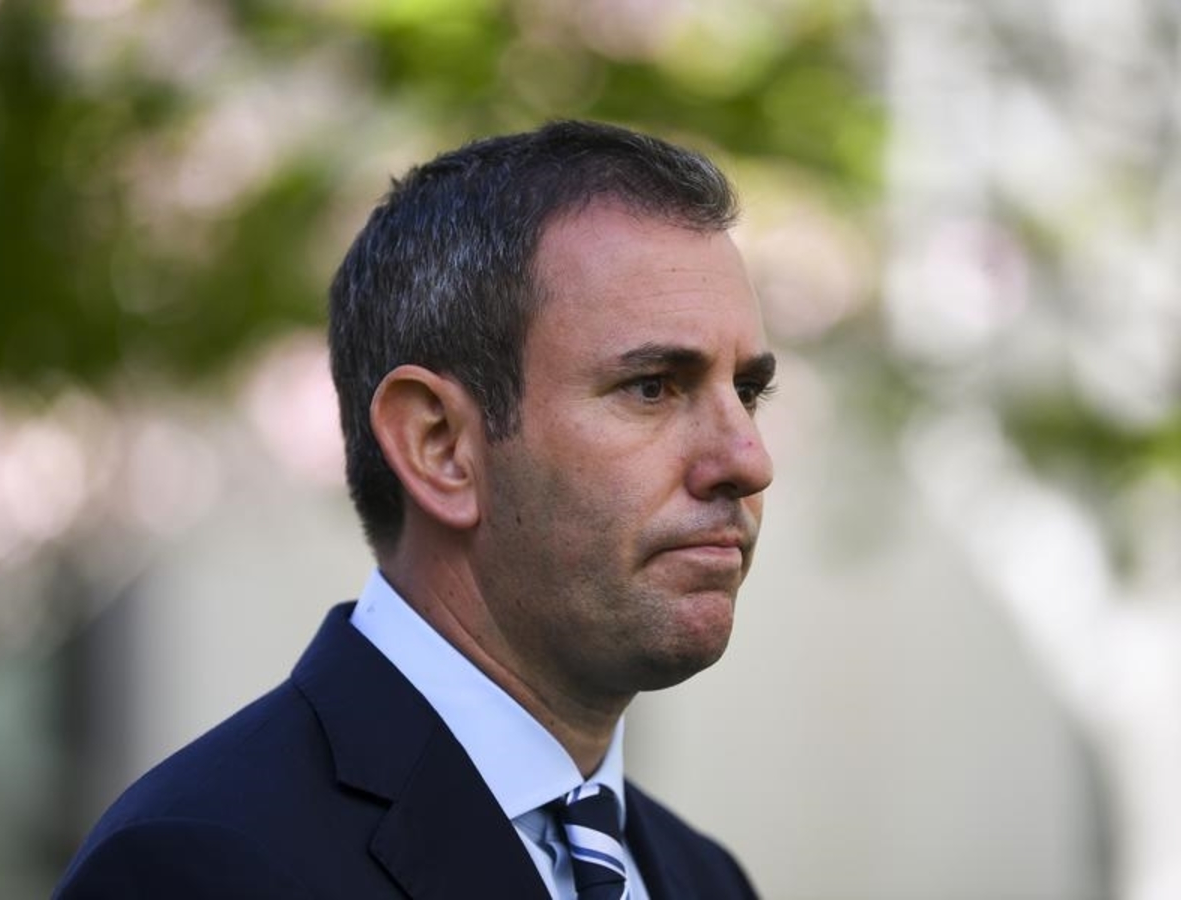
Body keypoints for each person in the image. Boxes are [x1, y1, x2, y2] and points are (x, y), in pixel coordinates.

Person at [54, 120, 775, 899]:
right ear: (439, 445)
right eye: (653, 387)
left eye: (747, 391)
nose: (747, 460)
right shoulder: (201, 866)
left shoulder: (705, 879)